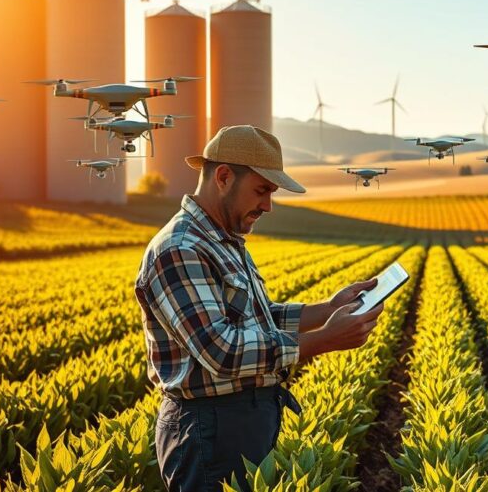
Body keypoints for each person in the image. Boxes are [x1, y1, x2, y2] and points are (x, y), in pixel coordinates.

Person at [134, 125, 383, 491]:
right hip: (210, 431)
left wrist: (328, 308)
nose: (267, 205)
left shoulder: (222, 239)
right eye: (262, 190)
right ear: (223, 177)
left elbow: (258, 315)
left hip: (236, 423)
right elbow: (223, 350)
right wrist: (323, 340)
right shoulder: (180, 248)